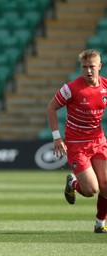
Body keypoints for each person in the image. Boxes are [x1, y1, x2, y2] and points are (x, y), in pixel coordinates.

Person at [46, 49, 107, 233]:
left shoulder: (105, 85)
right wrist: (57, 137)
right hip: (76, 144)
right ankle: (72, 183)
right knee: (90, 190)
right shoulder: (71, 88)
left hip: (98, 140)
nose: (88, 71)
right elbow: (51, 108)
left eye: (92, 67)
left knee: (106, 186)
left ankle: (99, 224)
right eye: (84, 67)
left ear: (99, 67)